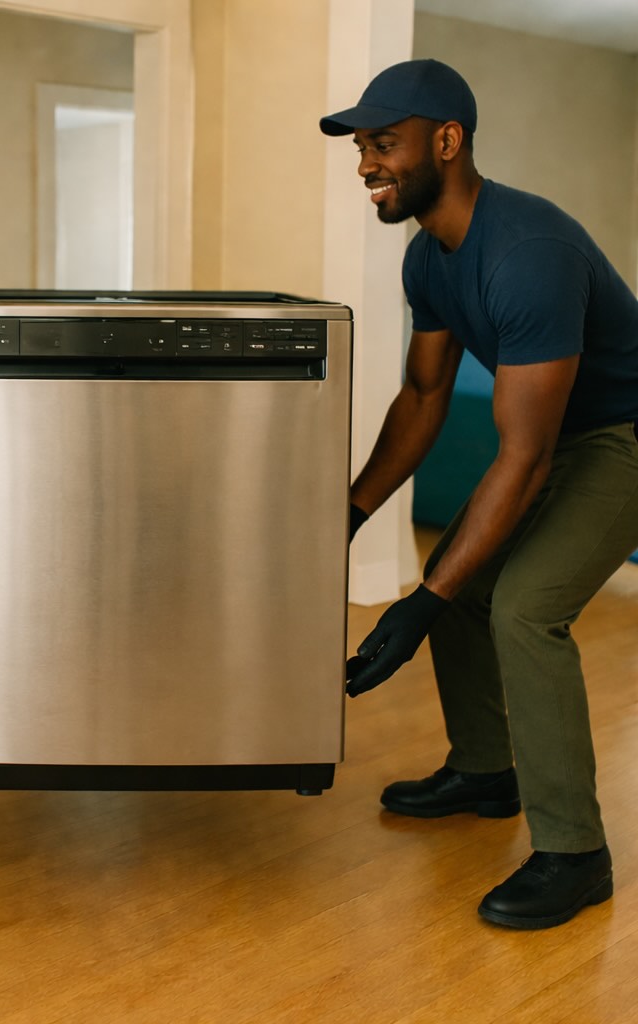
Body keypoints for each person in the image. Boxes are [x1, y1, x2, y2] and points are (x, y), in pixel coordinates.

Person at [320, 59, 638, 929]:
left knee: (521, 607)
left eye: (383, 144)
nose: (365, 165)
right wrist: (345, 515)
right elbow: (424, 399)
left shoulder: (528, 252)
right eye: (362, 148)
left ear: (448, 141)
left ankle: (576, 854)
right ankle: (489, 770)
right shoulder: (430, 259)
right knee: (462, 582)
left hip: (620, 437)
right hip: (556, 437)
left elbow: (527, 456)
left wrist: (421, 601)